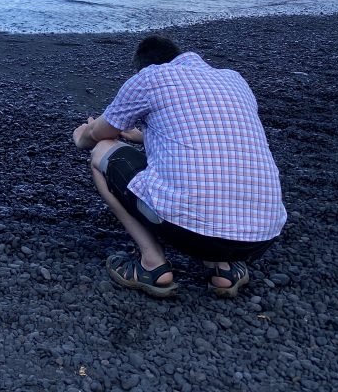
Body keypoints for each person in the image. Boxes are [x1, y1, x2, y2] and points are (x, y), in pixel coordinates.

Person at [71, 35, 286, 298]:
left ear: (144, 66)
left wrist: (82, 134)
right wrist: (140, 135)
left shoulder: (150, 78)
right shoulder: (234, 79)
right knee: (215, 164)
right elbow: (206, 132)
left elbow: (100, 132)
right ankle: (224, 271)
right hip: (262, 236)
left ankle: (152, 264)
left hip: (191, 232)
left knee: (101, 150)